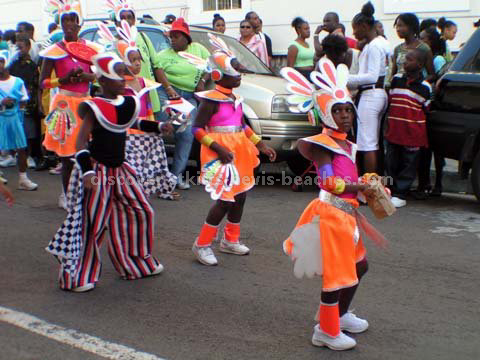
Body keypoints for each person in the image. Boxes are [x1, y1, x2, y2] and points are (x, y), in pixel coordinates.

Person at [281, 58, 384, 351]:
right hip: (331, 214)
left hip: (347, 214)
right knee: (337, 275)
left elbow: (346, 178)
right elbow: (327, 182)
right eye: (336, 111)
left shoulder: (346, 145)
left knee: (359, 266)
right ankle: (325, 330)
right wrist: (359, 186)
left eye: (347, 110)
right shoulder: (322, 145)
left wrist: (367, 185)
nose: (344, 116)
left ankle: (339, 314)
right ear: (325, 114)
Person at [46, 52, 166, 292]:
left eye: (124, 76)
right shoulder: (93, 106)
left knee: (141, 211)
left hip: (120, 170)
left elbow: (133, 123)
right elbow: (80, 143)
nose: (124, 80)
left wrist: (161, 126)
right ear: (103, 81)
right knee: (93, 223)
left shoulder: (128, 102)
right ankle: (77, 275)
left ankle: (135, 262)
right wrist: (88, 173)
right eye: (118, 77)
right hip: (98, 171)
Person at [189, 42, 276, 266]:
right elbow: (197, 129)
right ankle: (202, 244)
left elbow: (242, 126)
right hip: (220, 154)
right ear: (218, 74)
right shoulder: (210, 101)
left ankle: (230, 240)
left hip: (239, 152)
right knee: (225, 201)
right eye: (234, 70)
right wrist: (217, 148)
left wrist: (260, 145)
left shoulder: (235, 100)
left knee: (240, 195)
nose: (239, 75)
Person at [97, 20, 178, 200]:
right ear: (123, 62)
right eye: (132, 60)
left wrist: (157, 125)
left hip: (143, 133)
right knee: (129, 165)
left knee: (147, 163)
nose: (137, 64)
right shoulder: (118, 87)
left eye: (138, 60)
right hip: (126, 134)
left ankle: (149, 189)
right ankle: (126, 193)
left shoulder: (143, 83)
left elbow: (147, 107)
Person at [40, 0, 99, 209]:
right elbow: (43, 82)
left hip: (85, 103)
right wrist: (63, 80)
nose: (69, 24)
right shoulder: (54, 50)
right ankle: (66, 195)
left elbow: (99, 76)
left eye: (73, 20)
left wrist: (86, 75)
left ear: (79, 24)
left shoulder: (90, 49)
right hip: (64, 104)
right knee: (66, 155)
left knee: (87, 151)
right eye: (64, 20)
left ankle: (87, 192)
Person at [157, 17, 211, 190]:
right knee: (163, 129)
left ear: (186, 38)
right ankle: (156, 175)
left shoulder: (199, 50)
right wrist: (168, 88)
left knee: (186, 135)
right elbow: (158, 71)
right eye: (170, 36)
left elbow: (211, 66)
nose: (172, 40)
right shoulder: (163, 55)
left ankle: (175, 176)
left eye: (176, 36)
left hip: (188, 97)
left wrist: (202, 80)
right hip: (167, 95)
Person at [106, 0, 178, 117]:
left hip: (148, 96)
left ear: (134, 20)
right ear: (117, 22)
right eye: (122, 18)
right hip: (125, 98)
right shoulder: (112, 45)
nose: (127, 21)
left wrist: (168, 88)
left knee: (152, 129)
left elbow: (156, 66)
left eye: (130, 17)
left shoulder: (143, 37)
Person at [385, 49, 432, 208]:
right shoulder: (396, 80)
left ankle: (401, 193)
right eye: (405, 59)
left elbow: (426, 108)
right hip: (395, 130)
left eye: (409, 59)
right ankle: (391, 190)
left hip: (413, 134)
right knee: (391, 162)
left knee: (409, 164)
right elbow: (391, 99)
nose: (405, 62)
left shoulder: (425, 87)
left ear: (419, 64)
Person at [347, 2, 388, 175]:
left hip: (371, 94)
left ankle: (369, 187)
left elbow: (372, 76)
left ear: (364, 26)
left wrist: (347, 79)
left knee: (367, 143)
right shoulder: (378, 43)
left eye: (355, 29)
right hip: (376, 94)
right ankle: (372, 184)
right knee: (372, 141)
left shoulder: (374, 46)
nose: (354, 33)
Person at [0, 50, 38, 190]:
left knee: (21, 148)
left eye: (1, 61)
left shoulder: (17, 81)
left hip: (14, 118)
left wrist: (17, 113)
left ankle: (23, 179)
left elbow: (23, 100)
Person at [417, 28, 448, 197]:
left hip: (433, 107)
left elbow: (439, 79)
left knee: (436, 151)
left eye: (424, 39)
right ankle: (426, 183)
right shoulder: (424, 58)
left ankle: (437, 183)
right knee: (425, 150)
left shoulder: (437, 59)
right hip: (425, 105)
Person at [9, 33, 43, 169]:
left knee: (29, 132)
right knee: (17, 130)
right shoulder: (13, 65)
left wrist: (36, 102)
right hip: (15, 102)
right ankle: (17, 155)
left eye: (21, 47)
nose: (19, 51)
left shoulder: (33, 66)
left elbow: (35, 85)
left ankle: (31, 155)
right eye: (17, 48)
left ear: (29, 47)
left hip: (28, 103)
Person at [390, 13, 434, 82]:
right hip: (399, 88)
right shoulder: (397, 49)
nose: (398, 29)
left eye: (401, 26)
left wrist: (417, 83)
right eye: (397, 27)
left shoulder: (424, 48)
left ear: (411, 27)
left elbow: (431, 75)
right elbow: (393, 73)